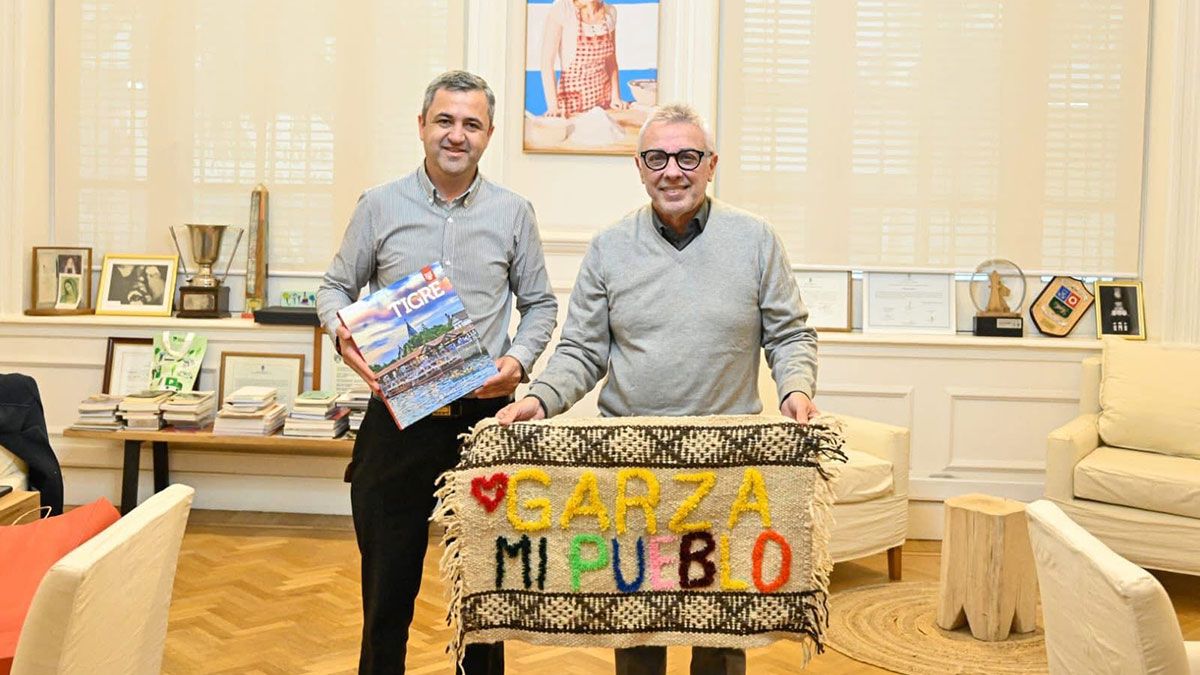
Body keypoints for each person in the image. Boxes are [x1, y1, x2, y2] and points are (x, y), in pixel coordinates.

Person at [495, 103, 819, 675]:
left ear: (711, 164)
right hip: (633, 470)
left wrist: (795, 389)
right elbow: (582, 349)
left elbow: (789, 333)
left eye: (688, 157)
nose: (673, 171)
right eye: (657, 158)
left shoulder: (756, 239)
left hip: (725, 468)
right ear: (639, 168)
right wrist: (539, 399)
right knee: (637, 620)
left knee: (719, 627)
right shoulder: (609, 246)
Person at [316, 70, 558, 675]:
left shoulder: (514, 213)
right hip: (397, 423)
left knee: (485, 599)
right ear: (422, 125)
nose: (457, 135)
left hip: (482, 426)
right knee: (386, 596)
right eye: (445, 120)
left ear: (489, 134)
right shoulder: (378, 205)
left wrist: (517, 361)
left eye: (471, 124)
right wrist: (342, 332)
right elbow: (334, 288)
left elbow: (541, 305)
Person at [540, 0, 629, 118]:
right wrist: (553, 107)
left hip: (604, 101)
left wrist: (615, 97)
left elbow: (611, 61)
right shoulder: (563, 8)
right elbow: (547, 63)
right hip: (572, 104)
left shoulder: (610, 12)